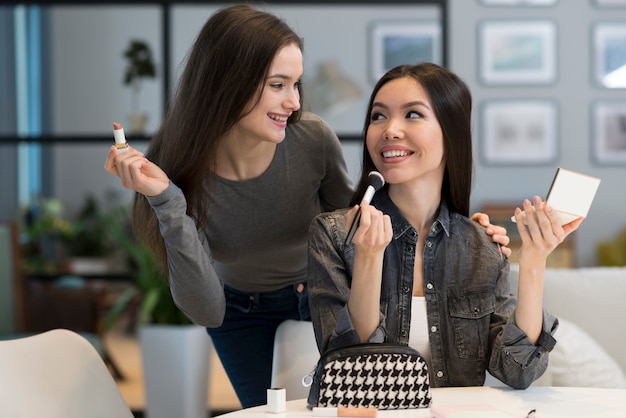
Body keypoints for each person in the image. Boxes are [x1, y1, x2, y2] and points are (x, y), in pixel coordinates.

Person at [104, 5, 511, 408]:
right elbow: (208, 310)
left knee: (335, 408)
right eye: (278, 85)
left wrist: (458, 233)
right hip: (237, 312)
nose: (294, 102)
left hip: (317, 295)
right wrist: (166, 200)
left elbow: (358, 222)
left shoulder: (310, 139)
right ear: (229, 82)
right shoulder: (172, 166)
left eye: (296, 85)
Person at [307, 62, 583, 390]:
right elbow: (353, 373)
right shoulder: (334, 235)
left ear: (450, 132)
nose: (390, 130)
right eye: (378, 116)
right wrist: (368, 258)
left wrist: (535, 260)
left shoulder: (483, 247)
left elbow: (517, 372)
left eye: (412, 114)